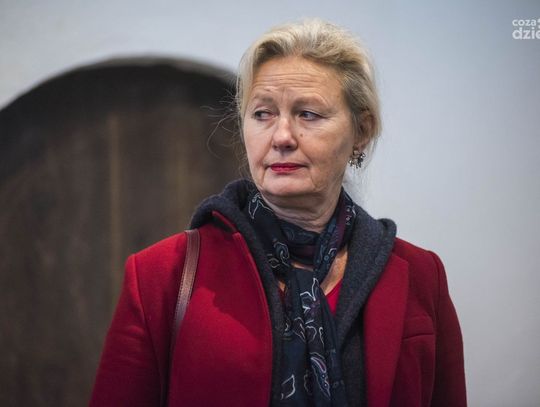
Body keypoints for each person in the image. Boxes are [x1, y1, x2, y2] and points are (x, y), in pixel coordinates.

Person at [90, 19, 466, 407]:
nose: (282, 137)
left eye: (308, 114)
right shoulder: (160, 276)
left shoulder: (421, 276)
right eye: (262, 114)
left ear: (362, 131)